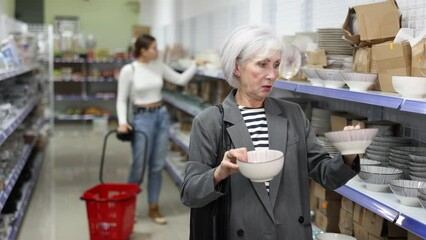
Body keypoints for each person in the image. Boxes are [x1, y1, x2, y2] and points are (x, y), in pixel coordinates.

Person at [180, 25, 360, 239]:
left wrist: (348, 156)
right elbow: (190, 193)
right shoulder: (210, 122)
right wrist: (219, 173)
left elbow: (325, 174)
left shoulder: (293, 114)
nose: (272, 75)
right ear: (237, 67)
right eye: (262, 65)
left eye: (276, 65)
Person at [117, 34, 196, 224]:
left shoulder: (158, 66)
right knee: (138, 165)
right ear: (142, 50)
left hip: (161, 116)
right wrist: (122, 121)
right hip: (141, 118)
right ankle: (129, 208)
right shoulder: (130, 70)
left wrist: (194, 64)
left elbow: (180, 80)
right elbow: (121, 99)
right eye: (153, 48)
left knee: (158, 165)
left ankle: (154, 207)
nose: (157, 50)